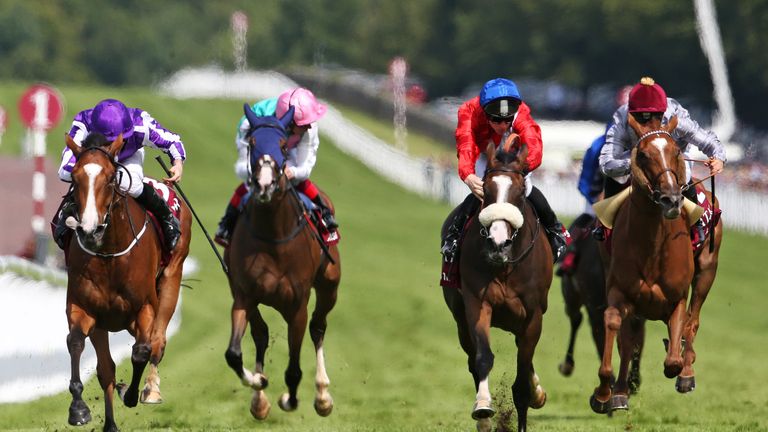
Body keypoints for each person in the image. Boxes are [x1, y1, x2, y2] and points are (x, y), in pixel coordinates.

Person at [441, 78, 570, 264]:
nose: (503, 125)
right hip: (483, 153)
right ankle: (453, 235)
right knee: (482, 190)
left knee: (526, 187)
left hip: (513, 157)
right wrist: (468, 175)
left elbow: (534, 145)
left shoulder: (521, 111)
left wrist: (518, 170)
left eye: (507, 119)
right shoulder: (468, 112)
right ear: (485, 113)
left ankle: (555, 230)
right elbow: (466, 144)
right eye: (496, 119)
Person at [596, 76, 726, 245]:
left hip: (673, 157)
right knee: (614, 176)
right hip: (639, 159)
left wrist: (718, 158)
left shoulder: (676, 115)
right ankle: (605, 222)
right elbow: (606, 162)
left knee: (683, 175)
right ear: (632, 113)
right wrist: (636, 162)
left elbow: (706, 140)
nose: (649, 122)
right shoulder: (622, 118)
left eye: (655, 116)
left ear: (663, 112)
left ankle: (696, 221)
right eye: (641, 118)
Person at [54, 99, 185, 251]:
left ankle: (166, 217)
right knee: (83, 177)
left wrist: (178, 163)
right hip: (94, 158)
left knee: (131, 185)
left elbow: (173, 141)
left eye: (113, 141)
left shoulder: (141, 123)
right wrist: (89, 174)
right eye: (106, 142)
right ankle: (68, 211)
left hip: (128, 156)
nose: (110, 146)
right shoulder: (83, 121)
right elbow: (66, 166)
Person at [214, 87, 336, 247]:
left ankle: (324, 214)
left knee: (297, 181)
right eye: (304, 124)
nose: (309, 127)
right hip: (255, 138)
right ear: (291, 123)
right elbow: (243, 168)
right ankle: (226, 223)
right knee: (252, 180)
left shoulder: (308, 129)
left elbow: (304, 168)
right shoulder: (248, 124)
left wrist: (291, 172)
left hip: (288, 145)